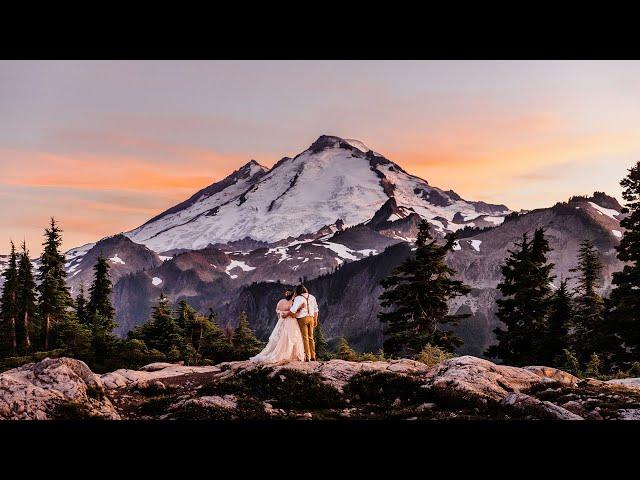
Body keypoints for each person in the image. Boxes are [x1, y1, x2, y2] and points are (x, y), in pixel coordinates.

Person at [250, 290, 305, 363]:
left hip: (281, 321)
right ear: (293, 295)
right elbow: (293, 314)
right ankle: (289, 354)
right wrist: (300, 308)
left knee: (280, 337)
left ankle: (279, 352)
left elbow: (278, 311)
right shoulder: (292, 303)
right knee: (291, 337)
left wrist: (280, 318)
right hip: (291, 322)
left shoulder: (280, 302)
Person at [289, 284, 319, 362]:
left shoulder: (298, 298)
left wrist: (293, 310)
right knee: (311, 338)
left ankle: (307, 357)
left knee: (304, 338)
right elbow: (316, 310)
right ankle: (313, 356)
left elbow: (293, 310)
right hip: (311, 318)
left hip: (302, 319)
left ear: (298, 291)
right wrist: (315, 320)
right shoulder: (312, 297)